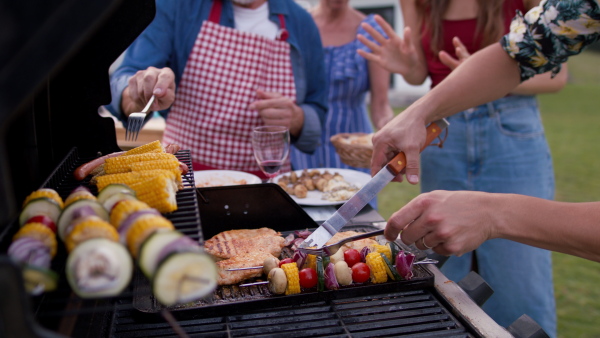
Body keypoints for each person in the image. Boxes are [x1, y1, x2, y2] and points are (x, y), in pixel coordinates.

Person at [365, 0, 599, 330]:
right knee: (443, 279)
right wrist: (418, 112)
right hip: (444, 132)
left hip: (509, 128)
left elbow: (550, 73)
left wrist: (492, 214)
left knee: (520, 278)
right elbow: (522, 50)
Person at [106, 0, 328, 180]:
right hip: (184, 175)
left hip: (268, 180)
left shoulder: (301, 23)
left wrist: (297, 118)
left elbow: (318, 109)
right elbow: (127, 78)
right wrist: (138, 96)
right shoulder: (176, 6)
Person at [289, 0, 394, 177]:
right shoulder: (298, 23)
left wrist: (389, 131)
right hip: (302, 148)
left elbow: (381, 103)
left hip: (353, 153)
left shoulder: (371, 31)